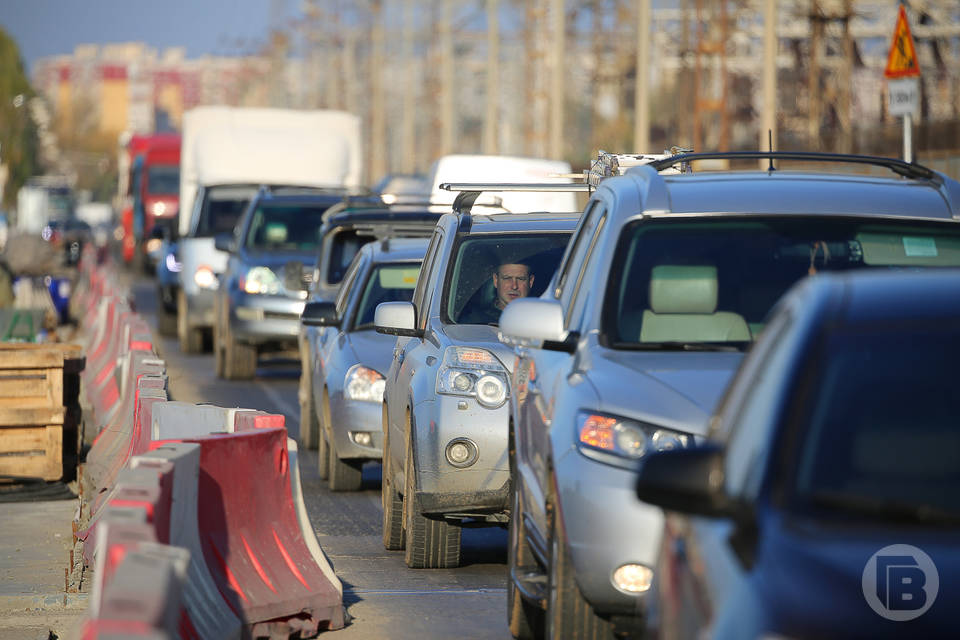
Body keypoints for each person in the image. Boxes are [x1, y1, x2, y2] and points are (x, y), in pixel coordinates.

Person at [459, 261, 534, 325]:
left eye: (520, 279)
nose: (514, 286)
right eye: (507, 278)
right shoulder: (474, 322)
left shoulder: (541, 322)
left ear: (530, 282)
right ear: (495, 280)